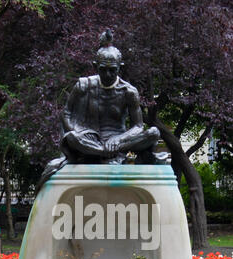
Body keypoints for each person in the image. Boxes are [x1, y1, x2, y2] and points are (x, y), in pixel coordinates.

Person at [36, 30, 167, 192]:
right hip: (90, 140)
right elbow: (66, 114)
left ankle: (103, 154)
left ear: (120, 67)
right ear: (95, 66)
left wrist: (118, 140)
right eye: (103, 69)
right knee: (71, 138)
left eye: (113, 70)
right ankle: (103, 153)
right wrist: (80, 132)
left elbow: (138, 126)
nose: (108, 74)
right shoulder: (83, 85)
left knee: (154, 132)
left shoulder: (129, 92)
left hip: (120, 143)